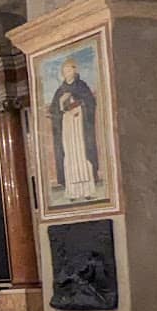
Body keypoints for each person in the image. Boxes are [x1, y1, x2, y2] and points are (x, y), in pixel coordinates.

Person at [49, 56, 100, 202]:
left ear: (74, 70)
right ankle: (72, 192)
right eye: (64, 70)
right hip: (67, 127)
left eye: (68, 69)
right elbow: (54, 111)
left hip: (80, 126)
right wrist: (60, 104)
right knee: (70, 155)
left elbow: (90, 101)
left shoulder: (81, 86)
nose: (66, 72)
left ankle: (87, 190)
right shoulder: (60, 90)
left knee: (83, 154)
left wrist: (79, 105)